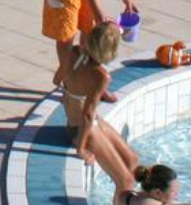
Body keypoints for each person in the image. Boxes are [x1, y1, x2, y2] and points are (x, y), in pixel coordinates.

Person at [59, 22, 140, 187]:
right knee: (127, 181)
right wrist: (81, 149)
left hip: (80, 123)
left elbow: (57, 79)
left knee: (132, 159)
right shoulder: (101, 76)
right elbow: (87, 115)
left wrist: (75, 88)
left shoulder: (73, 53)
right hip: (82, 130)